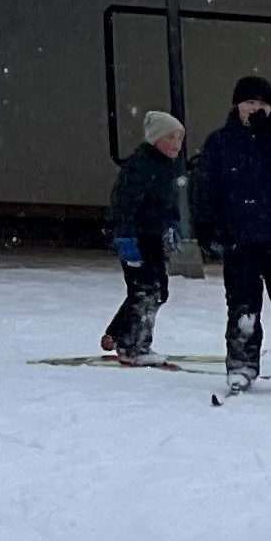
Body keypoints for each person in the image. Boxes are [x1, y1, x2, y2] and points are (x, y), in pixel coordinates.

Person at [192, 72, 271, 395]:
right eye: (249, 102)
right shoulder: (220, 142)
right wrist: (205, 224)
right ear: (237, 106)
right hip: (240, 238)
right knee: (243, 306)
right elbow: (205, 185)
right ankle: (242, 363)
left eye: (262, 103)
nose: (256, 109)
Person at [101, 107, 185, 361]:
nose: (176, 144)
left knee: (156, 291)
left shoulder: (165, 166)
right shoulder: (142, 165)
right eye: (170, 137)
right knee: (147, 291)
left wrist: (172, 224)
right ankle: (134, 346)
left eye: (180, 138)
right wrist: (125, 237)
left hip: (154, 237)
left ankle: (118, 333)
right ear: (155, 138)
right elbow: (124, 203)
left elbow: (167, 203)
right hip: (138, 237)